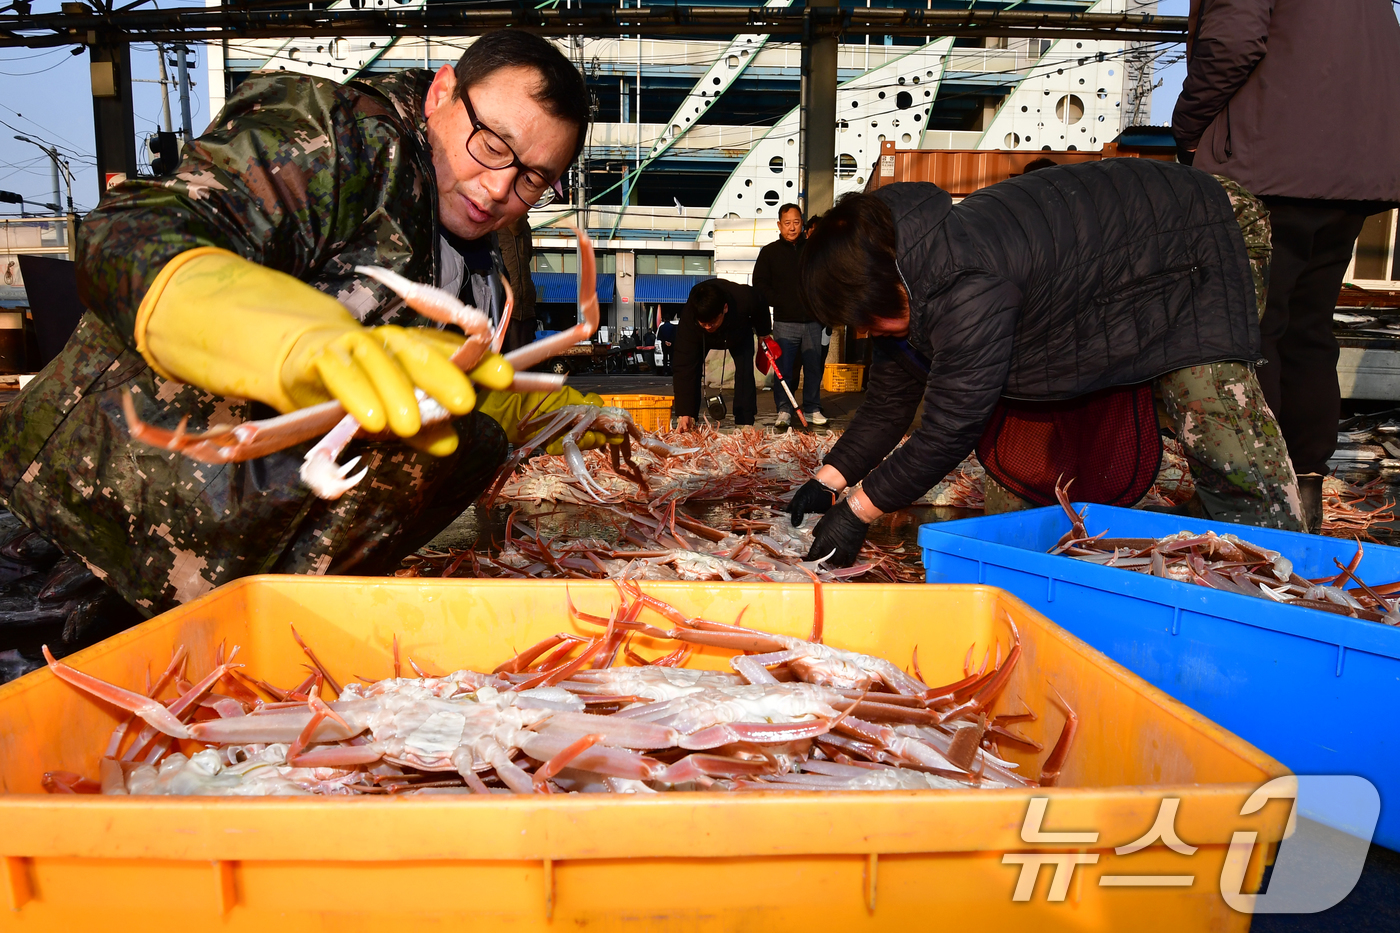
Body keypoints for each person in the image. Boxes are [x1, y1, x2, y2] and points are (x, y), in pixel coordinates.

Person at [0, 30, 618, 616]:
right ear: (440, 93)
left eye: (533, 177)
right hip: (78, 529)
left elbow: (444, 392)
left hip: (237, 576)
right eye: (491, 142)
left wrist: (544, 414)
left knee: (474, 442)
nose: (499, 186)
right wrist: (288, 338)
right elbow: (133, 235)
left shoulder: (490, 271)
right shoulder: (341, 139)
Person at [788, 159, 1303, 566]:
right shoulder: (908, 266)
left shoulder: (964, 284)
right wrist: (830, 479)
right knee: (1038, 443)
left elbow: (949, 429)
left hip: (1197, 236)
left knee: (1211, 412)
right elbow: (886, 405)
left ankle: (1279, 566)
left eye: (865, 318)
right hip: (1111, 268)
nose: (862, 333)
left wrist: (861, 511)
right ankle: (1163, 543)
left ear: (886, 283)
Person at [1172, 0, 1400, 533]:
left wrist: (1189, 126)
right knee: (1308, 331)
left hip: (1268, 165)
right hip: (1354, 170)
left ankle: (1256, 503)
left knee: (1249, 333)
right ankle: (1306, 489)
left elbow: (1232, 42)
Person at [753, 202, 827, 428]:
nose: (792, 227)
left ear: (802, 223)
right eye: (787, 223)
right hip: (784, 321)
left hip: (814, 320)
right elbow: (760, 284)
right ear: (779, 225)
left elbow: (828, 278)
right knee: (783, 370)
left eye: (796, 222)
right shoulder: (769, 252)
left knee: (814, 366)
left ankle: (813, 407)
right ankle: (784, 410)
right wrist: (779, 301)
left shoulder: (815, 249)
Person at [672, 279, 771, 431]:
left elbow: (761, 303)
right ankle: (689, 419)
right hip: (698, 337)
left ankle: (745, 421)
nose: (708, 327)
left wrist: (763, 332)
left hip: (738, 331)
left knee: (744, 371)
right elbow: (684, 367)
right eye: (703, 323)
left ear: (725, 308)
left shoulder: (743, 298)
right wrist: (684, 412)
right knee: (689, 367)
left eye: (711, 322)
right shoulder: (689, 319)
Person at [497, 214, 537, 353]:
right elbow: (528, 256)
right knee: (524, 359)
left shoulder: (496, 225)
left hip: (505, 303)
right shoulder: (526, 228)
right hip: (525, 301)